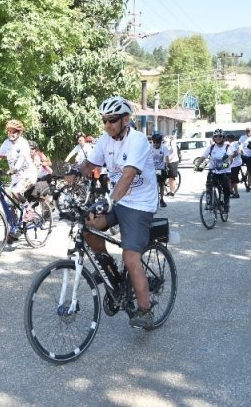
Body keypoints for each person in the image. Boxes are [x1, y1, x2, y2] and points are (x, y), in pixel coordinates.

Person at [80, 96, 158, 329]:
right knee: (88, 226)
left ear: (125, 119)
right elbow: (89, 164)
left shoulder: (138, 140)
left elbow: (128, 175)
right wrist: (70, 173)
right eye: (104, 121)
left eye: (112, 120)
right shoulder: (105, 140)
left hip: (140, 204)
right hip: (118, 201)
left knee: (130, 257)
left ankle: (145, 310)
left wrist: (110, 201)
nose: (107, 125)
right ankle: (110, 274)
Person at [0, 119, 38, 227]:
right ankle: (14, 227)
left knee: (16, 191)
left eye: (14, 131)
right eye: (9, 131)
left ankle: (30, 211)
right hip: (16, 177)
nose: (11, 134)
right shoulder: (6, 143)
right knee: (9, 202)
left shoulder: (23, 143)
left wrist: (14, 169)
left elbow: (21, 159)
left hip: (28, 174)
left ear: (19, 132)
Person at [194, 128, 233, 213]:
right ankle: (210, 202)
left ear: (223, 137)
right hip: (213, 171)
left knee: (226, 188)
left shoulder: (227, 147)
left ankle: (226, 205)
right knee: (209, 185)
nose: (218, 138)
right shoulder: (211, 147)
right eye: (216, 136)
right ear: (213, 138)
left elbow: (230, 160)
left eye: (220, 136)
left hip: (224, 172)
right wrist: (197, 165)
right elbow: (203, 157)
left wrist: (224, 166)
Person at [150, 132, 170, 207]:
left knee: (161, 184)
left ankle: (161, 199)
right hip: (152, 169)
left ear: (160, 142)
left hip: (160, 168)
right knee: (153, 185)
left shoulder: (164, 147)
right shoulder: (150, 147)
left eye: (157, 142)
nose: (155, 144)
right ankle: (153, 199)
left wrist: (166, 166)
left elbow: (166, 158)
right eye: (154, 142)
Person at [226, 133, 243, 198]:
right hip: (235, 164)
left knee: (233, 180)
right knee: (232, 180)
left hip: (235, 164)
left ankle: (232, 192)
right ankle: (234, 192)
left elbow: (236, 153)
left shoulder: (232, 144)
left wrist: (230, 157)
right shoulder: (235, 143)